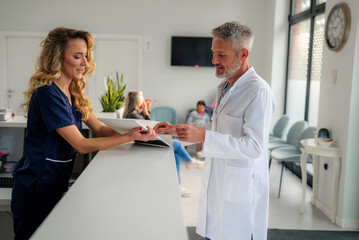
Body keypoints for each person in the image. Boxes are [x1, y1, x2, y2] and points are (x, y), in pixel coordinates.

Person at [11, 27, 157, 240]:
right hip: (35, 187)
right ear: (58, 58)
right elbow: (81, 144)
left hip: (54, 184)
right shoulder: (48, 94)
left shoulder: (72, 93)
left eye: (86, 57)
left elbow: (100, 129)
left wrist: (139, 132)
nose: (85, 63)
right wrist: (129, 137)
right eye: (77, 56)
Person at [154, 21, 276, 240]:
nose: (214, 61)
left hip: (239, 196)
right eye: (213, 53)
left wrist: (205, 137)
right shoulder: (224, 86)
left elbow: (255, 147)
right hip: (218, 188)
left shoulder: (258, 92)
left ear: (243, 54)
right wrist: (177, 130)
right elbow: (219, 128)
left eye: (222, 55)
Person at [123, 90, 203, 198]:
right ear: (138, 103)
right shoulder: (132, 116)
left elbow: (149, 125)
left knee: (176, 154)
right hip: (147, 145)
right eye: (142, 99)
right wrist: (146, 112)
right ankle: (191, 161)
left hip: (148, 142)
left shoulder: (136, 114)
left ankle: (177, 186)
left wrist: (146, 112)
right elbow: (152, 128)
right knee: (177, 144)